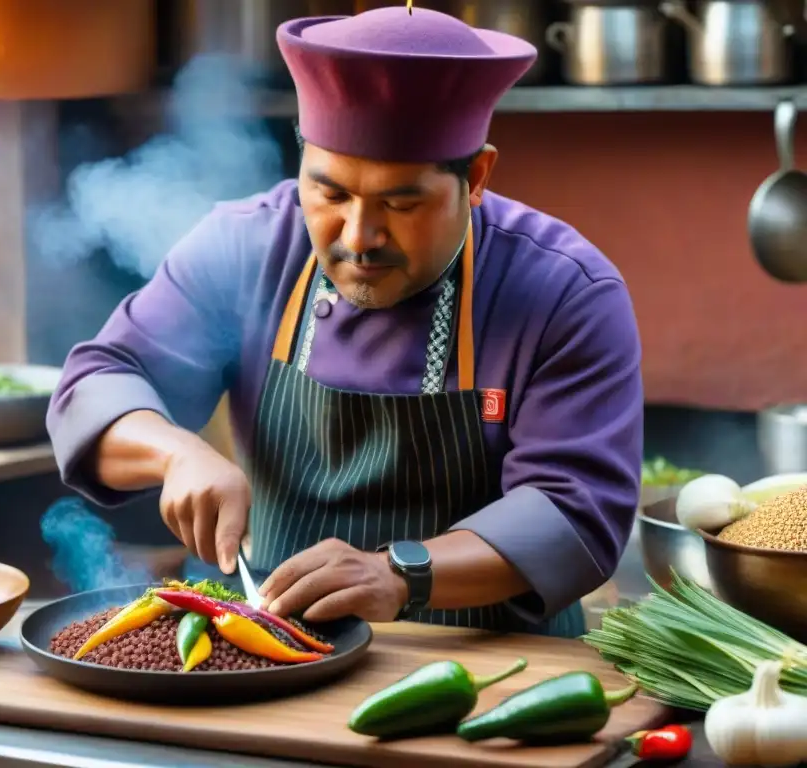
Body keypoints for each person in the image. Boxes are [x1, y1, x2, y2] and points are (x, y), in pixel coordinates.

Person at [46, 6, 643, 639]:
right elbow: (99, 383)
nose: (359, 238)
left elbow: (574, 513)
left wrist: (401, 573)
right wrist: (176, 454)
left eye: (400, 202)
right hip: (278, 650)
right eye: (330, 194)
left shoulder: (563, 291)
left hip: (492, 672)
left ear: (475, 177)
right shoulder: (246, 248)